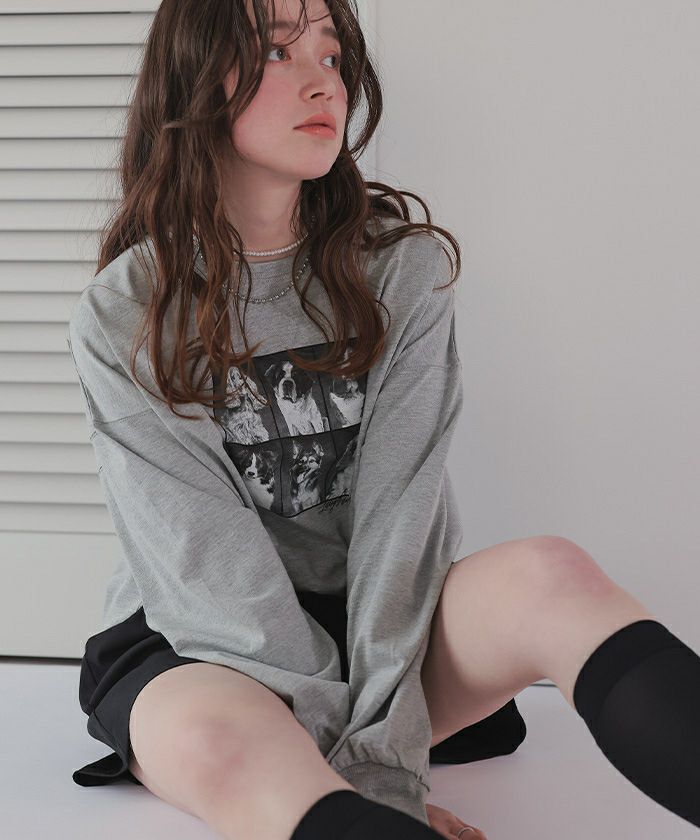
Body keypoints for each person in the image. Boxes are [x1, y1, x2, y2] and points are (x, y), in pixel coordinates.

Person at [69, 1, 700, 838]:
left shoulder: (399, 269)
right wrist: (366, 771)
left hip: (380, 621)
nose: (322, 82)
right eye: (277, 51)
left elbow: (402, 518)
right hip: (205, 642)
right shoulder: (128, 312)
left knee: (552, 574)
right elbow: (205, 566)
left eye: (331, 56)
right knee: (223, 743)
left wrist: (381, 761)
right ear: (193, 80)